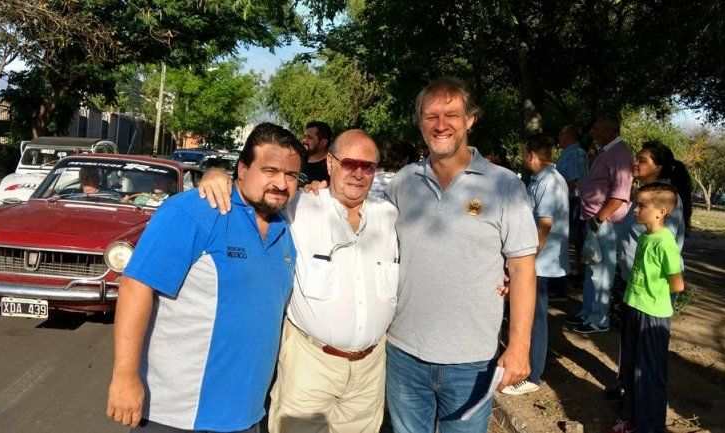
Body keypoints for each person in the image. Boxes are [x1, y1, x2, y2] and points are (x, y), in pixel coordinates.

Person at [105, 122, 305, 433]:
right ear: (241, 169)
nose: (282, 183)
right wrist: (125, 376)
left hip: (247, 415)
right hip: (176, 414)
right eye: (270, 170)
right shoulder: (195, 210)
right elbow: (136, 286)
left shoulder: (284, 226)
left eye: (291, 175)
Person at [196, 130, 399, 433]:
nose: (358, 173)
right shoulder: (299, 206)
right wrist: (216, 175)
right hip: (309, 364)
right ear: (330, 163)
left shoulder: (389, 216)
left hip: (369, 372)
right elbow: (254, 195)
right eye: (349, 163)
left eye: (367, 166)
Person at [384, 77, 537, 433]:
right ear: (419, 123)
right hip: (404, 353)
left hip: (471, 361)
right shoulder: (403, 183)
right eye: (430, 116)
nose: (440, 125)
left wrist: (519, 346)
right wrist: (318, 191)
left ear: (470, 119)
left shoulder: (505, 186)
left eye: (451, 114)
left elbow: (523, 269)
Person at [606, 140, 689, 402]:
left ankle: (644, 403)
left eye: (642, 160)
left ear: (659, 167)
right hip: (634, 285)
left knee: (647, 350)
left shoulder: (664, 202)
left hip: (651, 290)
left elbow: (668, 247)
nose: (636, 163)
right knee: (629, 343)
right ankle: (626, 387)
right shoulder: (646, 196)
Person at [503, 134, 569, 396]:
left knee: (534, 318)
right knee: (532, 316)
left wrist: (528, 258)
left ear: (532, 154)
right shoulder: (540, 180)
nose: (521, 157)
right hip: (538, 261)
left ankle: (533, 375)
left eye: (523, 153)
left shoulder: (550, 183)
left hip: (540, 263)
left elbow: (545, 224)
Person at [567, 117, 634, 334]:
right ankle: (588, 313)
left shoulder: (620, 153)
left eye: (596, 127)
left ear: (608, 128)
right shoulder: (605, 151)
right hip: (595, 221)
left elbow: (620, 194)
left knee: (603, 271)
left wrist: (599, 219)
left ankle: (599, 319)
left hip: (605, 222)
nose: (593, 131)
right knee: (592, 267)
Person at [555, 124, 589, 280]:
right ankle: (577, 275)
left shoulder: (576, 153)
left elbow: (574, 182)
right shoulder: (568, 153)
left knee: (569, 238)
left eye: (561, 133)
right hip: (568, 200)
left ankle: (578, 276)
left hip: (572, 201)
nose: (559, 137)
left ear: (570, 135)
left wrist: (553, 194)